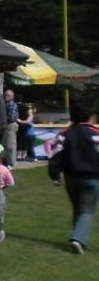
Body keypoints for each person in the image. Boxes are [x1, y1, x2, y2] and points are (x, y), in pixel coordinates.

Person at [47, 103, 99, 255]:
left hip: (71, 177)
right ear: (89, 117)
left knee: (78, 208)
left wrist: (55, 175)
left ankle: (79, 241)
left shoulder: (64, 134)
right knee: (87, 210)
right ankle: (78, 238)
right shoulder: (95, 134)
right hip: (92, 177)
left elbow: (55, 155)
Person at [2, 88, 20, 167]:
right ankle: (7, 161)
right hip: (8, 125)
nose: (5, 96)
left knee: (10, 144)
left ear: (12, 97)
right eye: (5, 95)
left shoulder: (12, 104)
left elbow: (11, 117)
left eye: (7, 95)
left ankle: (11, 163)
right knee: (5, 144)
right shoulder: (7, 103)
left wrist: (2, 118)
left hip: (11, 125)